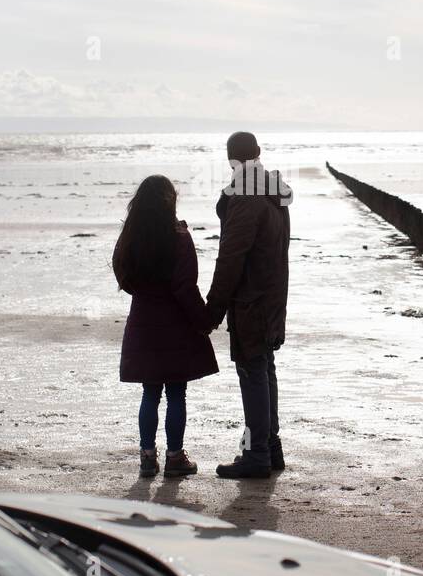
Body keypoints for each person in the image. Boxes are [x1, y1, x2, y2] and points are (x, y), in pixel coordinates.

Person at [113, 175, 218, 478]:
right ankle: (174, 456)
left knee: (150, 392)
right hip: (175, 324)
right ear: (169, 200)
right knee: (176, 393)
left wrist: (146, 294)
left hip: (144, 320)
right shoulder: (179, 236)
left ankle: (147, 456)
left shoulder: (130, 237)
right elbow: (186, 287)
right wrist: (205, 320)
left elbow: (123, 277)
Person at [205, 132, 293, 479]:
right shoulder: (273, 193)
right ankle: (270, 448)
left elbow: (231, 258)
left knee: (253, 371)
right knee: (264, 367)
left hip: (252, 298)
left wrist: (213, 309)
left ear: (230, 159)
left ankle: (257, 455)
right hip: (272, 293)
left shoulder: (246, 196)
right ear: (257, 153)